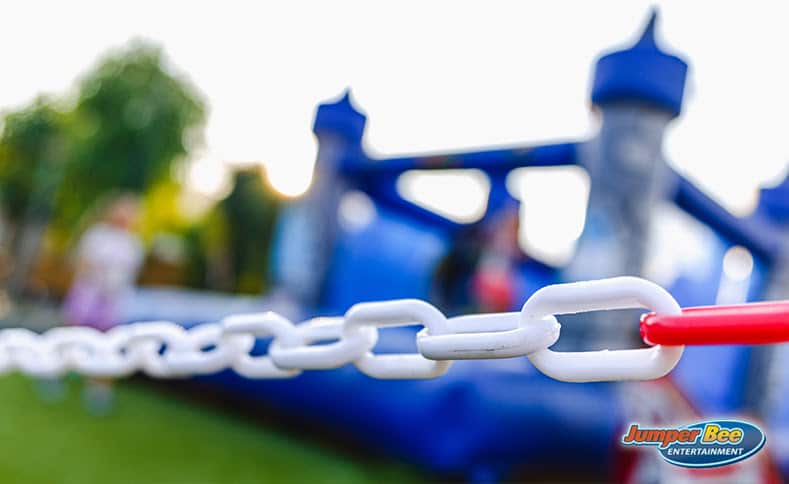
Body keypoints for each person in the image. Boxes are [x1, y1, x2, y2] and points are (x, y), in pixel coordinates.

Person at [62, 194, 144, 414]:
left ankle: (99, 389)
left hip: (112, 300)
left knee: (107, 343)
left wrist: (113, 284)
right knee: (73, 334)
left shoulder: (133, 243)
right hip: (88, 295)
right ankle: (55, 372)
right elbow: (81, 262)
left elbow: (131, 272)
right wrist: (96, 277)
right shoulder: (97, 235)